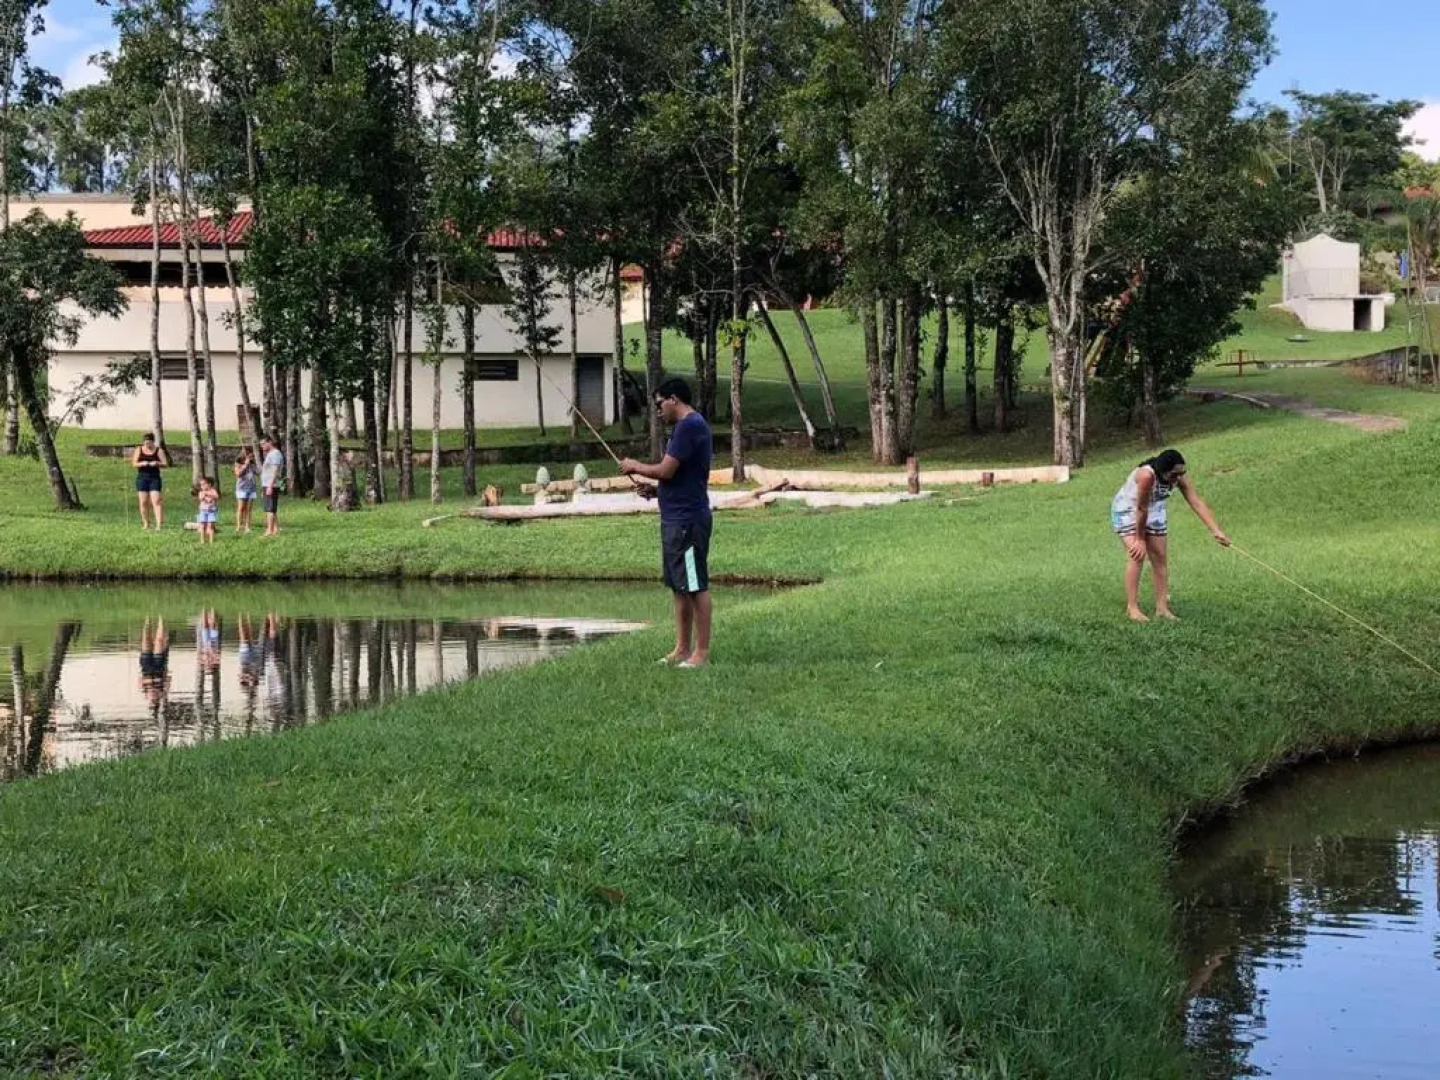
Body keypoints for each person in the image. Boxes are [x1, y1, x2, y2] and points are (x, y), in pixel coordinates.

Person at [620, 377, 713, 668]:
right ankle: (681, 649)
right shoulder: (683, 429)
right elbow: (682, 477)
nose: (657, 409)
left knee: (695, 584)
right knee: (679, 585)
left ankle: (701, 653)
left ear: (673, 399)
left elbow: (666, 470)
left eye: (659, 403)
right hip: (675, 518)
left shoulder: (690, 426)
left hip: (687, 520)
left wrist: (635, 466)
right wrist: (657, 492)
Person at [1110, 448, 1230, 622]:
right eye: (1174, 474)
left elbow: (1195, 501)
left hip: (1155, 507)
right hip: (1129, 509)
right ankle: (1132, 608)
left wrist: (1216, 530)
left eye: (1182, 472)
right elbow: (1141, 509)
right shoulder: (1146, 476)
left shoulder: (1178, 476)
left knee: (1159, 556)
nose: (1178, 478)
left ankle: (1162, 608)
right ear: (1162, 471)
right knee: (1137, 554)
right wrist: (1139, 539)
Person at [131, 433, 170, 530]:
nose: (147, 445)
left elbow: (165, 464)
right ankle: (146, 523)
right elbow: (134, 463)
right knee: (143, 502)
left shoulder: (159, 451)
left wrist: (157, 463)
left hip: (154, 478)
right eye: (145, 443)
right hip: (142, 477)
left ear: (153, 442)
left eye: (149, 443)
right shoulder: (139, 450)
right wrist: (141, 463)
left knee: (156, 501)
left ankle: (159, 525)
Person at [260, 436, 285, 537]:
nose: (262, 446)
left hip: (272, 485)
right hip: (267, 484)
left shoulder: (275, 454)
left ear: (269, 442)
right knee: (271, 508)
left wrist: (270, 486)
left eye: (263, 444)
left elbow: (275, 471)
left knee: (269, 509)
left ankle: (269, 531)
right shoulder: (270, 454)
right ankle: (275, 529)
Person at [234, 447, 258, 533]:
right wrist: (245, 465)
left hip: (251, 488)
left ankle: (247, 527)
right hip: (241, 488)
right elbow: (238, 474)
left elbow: (258, 472)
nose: (251, 456)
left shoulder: (252, 464)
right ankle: (239, 526)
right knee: (241, 507)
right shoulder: (238, 463)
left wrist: (254, 463)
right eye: (250, 454)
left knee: (249, 508)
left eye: (252, 455)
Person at [196, 476, 220, 544]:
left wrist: (208, 493)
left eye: (203, 484)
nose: (202, 486)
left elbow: (217, 496)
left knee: (210, 526)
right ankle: (202, 540)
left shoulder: (213, 491)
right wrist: (204, 495)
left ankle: (211, 541)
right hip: (203, 511)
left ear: (209, 484)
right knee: (202, 526)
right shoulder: (201, 492)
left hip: (211, 512)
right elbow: (200, 498)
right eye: (201, 485)